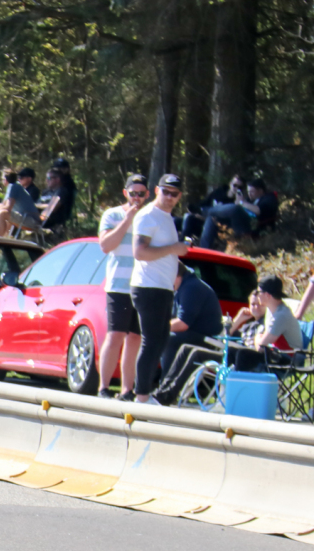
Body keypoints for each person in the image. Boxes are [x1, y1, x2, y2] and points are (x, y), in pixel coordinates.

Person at [131, 173, 189, 403]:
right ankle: (142, 396)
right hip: (148, 286)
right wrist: (173, 248)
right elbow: (140, 252)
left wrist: (177, 251)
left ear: (179, 196)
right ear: (156, 191)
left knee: (162, 338)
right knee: (152, 340)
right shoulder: (148, 215)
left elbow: (165, 251)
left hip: (163, 288)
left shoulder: (167, 218)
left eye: (174, 194)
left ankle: (145, 393)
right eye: (165, 192)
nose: (169, 197)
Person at [153, 288, 264, 405]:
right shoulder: (248, 326)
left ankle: (169, 395)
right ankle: (163, 390)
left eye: (259, 305)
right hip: (232, 355)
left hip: (241, 360)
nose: (255, 307)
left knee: (197, 353)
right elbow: (224, 336)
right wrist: (239, 319)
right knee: (185, 348)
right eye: (253, 304)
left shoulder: (264, 325)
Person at [95, 174, 148, 399]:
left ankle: (127, 389)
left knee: (135, 338)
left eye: (141, 194)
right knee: (115, 334)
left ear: (147, 194)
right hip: (119, 285)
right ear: (125, 193)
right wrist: (127, 220)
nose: (137, 198)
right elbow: (105, 245)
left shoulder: (149, 216)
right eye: (133, 193)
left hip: (143, 284)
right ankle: (104, 387)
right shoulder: (113, 214)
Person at [163, 261, 223, 370]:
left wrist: (156, 328)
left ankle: (167, 381)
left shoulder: (191, 287)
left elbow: (182, 324)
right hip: (194, 335)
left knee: (168, 338)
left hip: (207, 339)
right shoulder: (183, 287)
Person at [199, 178, 279, 250]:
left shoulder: (269, 199)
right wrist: (239, 203)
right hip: (239, 224)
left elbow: (259, 211)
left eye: (252, 192)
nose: (249, 194)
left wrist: (241, 203)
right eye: (248, 192)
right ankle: (204, 249)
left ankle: (204, 210)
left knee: (234, 208)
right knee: (213, 218)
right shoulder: (250, 199)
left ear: (260, 191)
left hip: (255, 227)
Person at [181, 173, 242, 240]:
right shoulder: (220, 192)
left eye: (240, 187)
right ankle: (182, 244)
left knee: (201, 219)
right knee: (182, 219)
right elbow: (206, 201)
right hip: (203, 219)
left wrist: (238, 202)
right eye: (235, 185)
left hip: (216, 226)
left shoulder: (237, 202)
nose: (236, 188)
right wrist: (196, 209)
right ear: (230, 184)